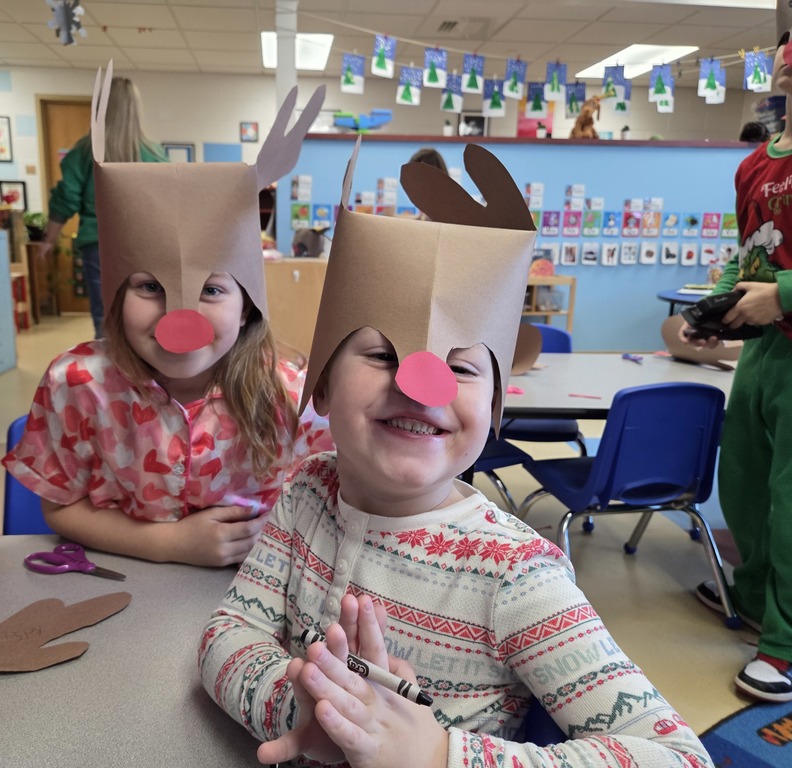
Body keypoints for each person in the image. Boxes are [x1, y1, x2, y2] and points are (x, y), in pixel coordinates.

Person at [199, 142, 713, 767]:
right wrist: (310, 709)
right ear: (322, 388)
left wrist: (440, 753)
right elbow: (227, 634)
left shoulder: (516, 576)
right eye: (382, 355)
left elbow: (678, 756)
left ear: (494, 408)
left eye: (463, 366)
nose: (420, 385)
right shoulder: (308, 492)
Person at [3, 69, 332, 566]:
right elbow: (59, 505)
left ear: (247, 308)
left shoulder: (290, 395)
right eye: (150, 287)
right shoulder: (78, 383)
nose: (181, 316)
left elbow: (333, 502)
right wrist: (167, 544)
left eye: (212, 290)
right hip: (128, 588)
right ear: (115, 294)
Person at [684, 2, 792, 703]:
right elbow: (747, 257)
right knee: (744, 488)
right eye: (785, 35)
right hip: (764, 358)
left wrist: (788, 295)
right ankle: (754, 601)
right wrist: (717, 311)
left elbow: (787, 280)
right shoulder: (754, 165)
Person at [42, 76, 168, 338]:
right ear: (135, 109)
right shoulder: (154, 155)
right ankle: (141, 373)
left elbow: (66, 198)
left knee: (104, 313)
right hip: (143, 244)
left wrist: (50, 239)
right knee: (146, 310)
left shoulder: (85, 151)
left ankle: (107, 375)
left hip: (98, 244)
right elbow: (164, 206)